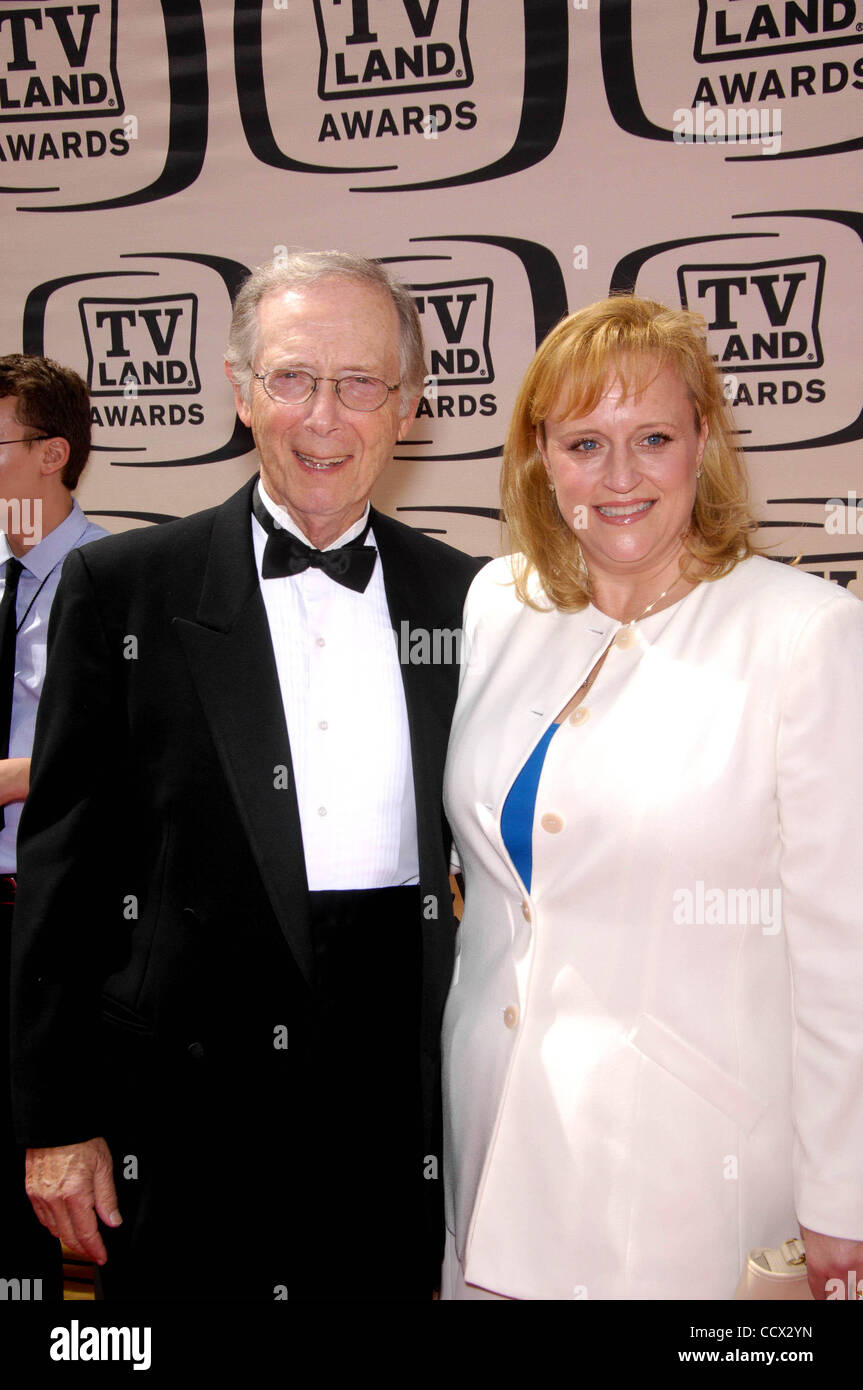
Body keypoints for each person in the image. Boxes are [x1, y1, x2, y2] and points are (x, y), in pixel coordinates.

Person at [11, 251, 482, 1300]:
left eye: (361, 382)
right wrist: (53, 1122)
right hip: (181, 1104)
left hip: (397, 1099)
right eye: (292, 378)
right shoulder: (122, 587)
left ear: (405, 406)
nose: (325, 415)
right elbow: (64, 874)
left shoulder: (472, 602)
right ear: (238, 390)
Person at [440, 295, 863, 1301]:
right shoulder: (499, 603)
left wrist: (841, 1193)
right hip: (493, 1139)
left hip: (684, 1174)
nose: (618, 477)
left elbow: (841, 943)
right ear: (539, 454)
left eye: (653, 438)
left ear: (703, 441)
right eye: (583, 441)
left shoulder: (801, 633)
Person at [0, 355, 108, 1298]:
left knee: (35, 1172)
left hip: (43, 911)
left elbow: (126, 750)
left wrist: (12, 778)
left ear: (52, 455)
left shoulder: (113, 581)